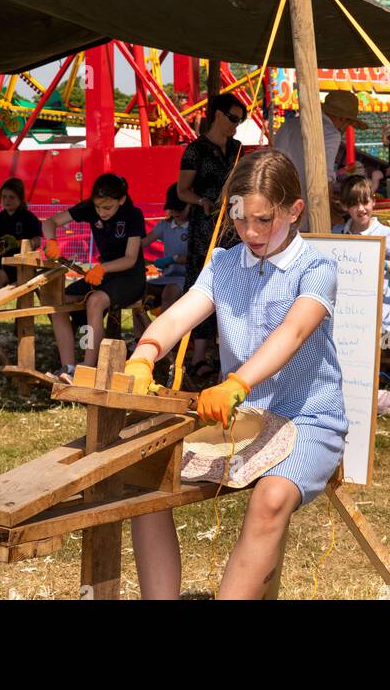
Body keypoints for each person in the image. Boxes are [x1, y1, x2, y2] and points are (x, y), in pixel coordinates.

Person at [124, 150, 347, 600]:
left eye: (263, 220)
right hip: (241, 419)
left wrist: (236, 383)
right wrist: (144, 354)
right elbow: (176, 317)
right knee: (143, 480)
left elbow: (293, 332)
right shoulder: (224, 264)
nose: (249, 232)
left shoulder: (316, 268)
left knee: (270, 500)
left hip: (309, 419)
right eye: (241, 219)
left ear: (294, 210)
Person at [41, 173, 146, 380]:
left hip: (130, 277)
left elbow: (130, 259)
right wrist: (51, 240)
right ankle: (68, 367)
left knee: (95, 301)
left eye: (107, 208)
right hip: (105, 275)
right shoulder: (90, 208)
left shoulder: (133, 215)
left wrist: (102, 269)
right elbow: (50, 222)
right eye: (98, 207)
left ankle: (87, 370)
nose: (101, 212)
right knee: (57, 301)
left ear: (121, 200)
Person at [177, 92, 245, 383]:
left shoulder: (237, 149)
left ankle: (228, 353)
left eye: (240, 121)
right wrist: (202, 201)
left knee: (234, 285)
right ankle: (197, 357)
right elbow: (182, 191)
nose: (236, 125)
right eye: (232, 118)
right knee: (202, 284)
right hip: (206, 228)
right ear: (217, 115)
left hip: (234, 226)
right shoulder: (195, 150)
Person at [335, 175, 390, 337]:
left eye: (365, 202)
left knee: (381, 356)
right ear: (345, 206)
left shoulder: (387, 234)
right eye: (354, 204)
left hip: (378, 316)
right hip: (345, 316)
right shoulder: (337, 233)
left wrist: (382, 263)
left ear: (373, 201)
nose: (361, 209)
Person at [274, 89, 367, 221]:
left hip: (279, 205)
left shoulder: (288, 125)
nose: (347, 128)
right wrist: (330, 214)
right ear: (342, 119)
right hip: (307, 212)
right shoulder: (331, 133)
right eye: (349, 124)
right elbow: (325, 177)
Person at [0, 177, 42, 293]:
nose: (7, 200)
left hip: (22, 266)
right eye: (4, 197)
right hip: (0, 262)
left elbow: (38, 241)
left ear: (20, 198)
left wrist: (21, 243)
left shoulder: (29, 218)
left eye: (11, 197)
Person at [143, 183, 190, 313]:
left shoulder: (195, 228)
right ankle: (141, 333)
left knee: (169, 294)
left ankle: (167, 332)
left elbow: (197, 257)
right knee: (139, 297)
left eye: (179, 208)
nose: (175, 212)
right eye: (172, 208)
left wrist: (172, 259)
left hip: (187, 278)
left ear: (191, 205)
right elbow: (142, 242)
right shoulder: (164, 226)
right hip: (166, 277)